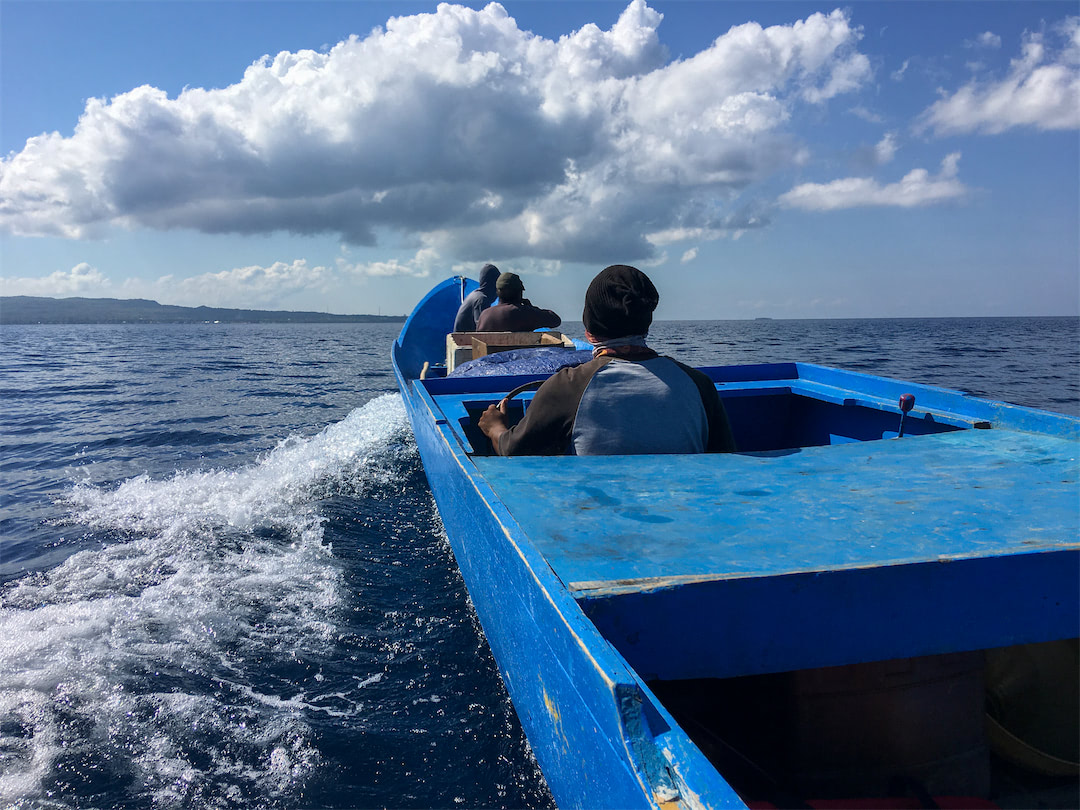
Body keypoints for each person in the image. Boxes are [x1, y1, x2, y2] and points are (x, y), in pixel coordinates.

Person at [478, 265, 735, 456]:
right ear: (647, 323)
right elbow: (725, 462)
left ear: (589, 330)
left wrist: (495, 428)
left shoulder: (568, 387)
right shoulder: (700, 385)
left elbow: (513, 451)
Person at [474, 272, 562, 332]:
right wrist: (532, 308)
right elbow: (555, 320)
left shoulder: (484, 315)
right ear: (519, 292)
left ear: (497, 292)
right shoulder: (525, 313)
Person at [453, 263, 501, 332]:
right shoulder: (481, 300)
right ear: (494, 284)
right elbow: (482, 329)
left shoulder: (475, 295)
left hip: (462, 339)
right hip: (464, 341)